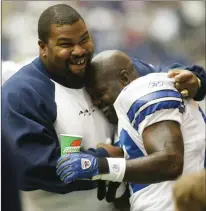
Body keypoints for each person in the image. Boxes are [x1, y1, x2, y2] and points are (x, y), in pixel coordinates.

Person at [2, 4, 206, 211]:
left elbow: (168, 77)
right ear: (43, 47)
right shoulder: (22, 93)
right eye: (66, 44)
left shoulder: (103, 67)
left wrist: (196, 80)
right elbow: (31, 167)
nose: (79, 50)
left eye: (84, 39)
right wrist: (102, 161)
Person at [56, 50, 206, 211]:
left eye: (101, 93)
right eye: (94, 99)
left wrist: (101, 166)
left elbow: (171, 162)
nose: (98, 103)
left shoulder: (141, 91)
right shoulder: (125, 118)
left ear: (124, 78)